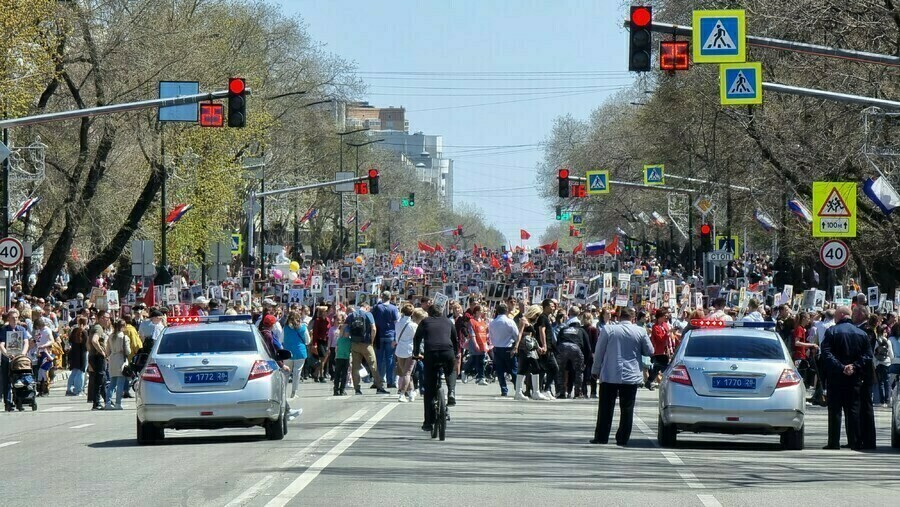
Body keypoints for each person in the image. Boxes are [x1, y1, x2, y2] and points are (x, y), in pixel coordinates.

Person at [590, 307, 653, 446]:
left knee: (606, 407)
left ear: (619, 317)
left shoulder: (608, 330)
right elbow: (649, 351)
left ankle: (601, 437)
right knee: (627, 408)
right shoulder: (640, 331)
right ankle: (623, 438)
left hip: (610, 373)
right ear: (633, 318)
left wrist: (595, 369)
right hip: (631, 375)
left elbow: (599, 351)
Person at [821, 306, 871, 450]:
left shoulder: (832, 331)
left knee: (835, 410)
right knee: (853, 409)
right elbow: (868, 356)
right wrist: (854, 366)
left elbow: (826, 353)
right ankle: (854, 441)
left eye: (836, 315)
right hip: (854, 377)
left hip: (836, 377)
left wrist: (841, 367)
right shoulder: (861, 333)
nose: (835, 318)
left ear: (842, 315)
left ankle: (834, 442)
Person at [413, 300, 459, 432]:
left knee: (429, 389)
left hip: (431, 353)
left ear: (429, 313)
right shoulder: (448, 322)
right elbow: (455, 340)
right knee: (451, 371)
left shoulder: (425, 322)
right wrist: (455, 354)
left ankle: (428, 422)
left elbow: (417, 338)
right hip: (447, 351)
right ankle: (451, 391)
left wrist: (416, 354)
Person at [346, 302, 389, 395]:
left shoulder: (351, 315)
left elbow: (345, 328)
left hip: (355, 343)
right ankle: (379, 387)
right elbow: (373, 328)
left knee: (355, 367)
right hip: (366, 343)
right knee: (373, 365)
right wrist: (372, 341)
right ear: (367, 307)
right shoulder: (368, 314)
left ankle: (357, 389)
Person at [555, 306, 591, 399]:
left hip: (562, 347)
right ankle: (578, 393)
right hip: (576, 348)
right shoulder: (581, 330)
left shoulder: (563, 329)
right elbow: (587, 347)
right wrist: (585, 362)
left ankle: (561, 392)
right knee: (579, 371)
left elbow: (558, 342)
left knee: (561, 371)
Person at [512, 305, 546, 401]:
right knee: (527, 368)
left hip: (530, 347)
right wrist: (516, 346)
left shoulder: (530, 322)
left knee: (532, 368)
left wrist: (538, 347)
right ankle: (524, 392)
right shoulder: (523, 320)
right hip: (525, 347)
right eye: (537, 314)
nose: (537, 317)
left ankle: (532, 392)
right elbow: (520, 333)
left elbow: (532, 338)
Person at [1, 310, 32, 411]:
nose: (15, 319)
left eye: (16, 317)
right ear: (8, 318)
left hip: (19, 359)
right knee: (6, 381)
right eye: (12, 318)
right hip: (7, 359)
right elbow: (2, 345)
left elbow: (26, 342)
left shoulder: (21, 329)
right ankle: (8, 403)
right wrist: (8, 354)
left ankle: (19, 401)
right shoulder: (4, 330)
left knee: (20, 380)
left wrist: (22, 354)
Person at [487, 303, 518, 397]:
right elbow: (516, 334)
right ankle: (517, 387)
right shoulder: (510, 322)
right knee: (513, 369)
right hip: (508, 347)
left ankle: (504, 389)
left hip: (497, 348)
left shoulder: (492, 322)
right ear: (506, 311)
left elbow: (491, 335)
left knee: (500, 370)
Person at [395, 306, 425, 402]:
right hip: (410, 350)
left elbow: (396, 336)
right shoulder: (413, 325)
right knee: (407, 373)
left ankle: (411, 391)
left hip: (399, 350)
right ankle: (402, 394)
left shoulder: (398, 323)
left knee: (405, 373)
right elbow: (417, 339)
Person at [371, 292, 400, 388]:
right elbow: (396, 322)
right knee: (390, 359)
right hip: (390, 335)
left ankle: (377, 381)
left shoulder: (377, 307)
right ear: (390, 297)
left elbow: (372, 320)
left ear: (382, 297)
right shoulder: (394, 308)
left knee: (378, 359)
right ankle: (390, 381)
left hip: (379, 335)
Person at [282, 310, 310, 399]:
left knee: (286, 373)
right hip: (300, 351)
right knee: (297, 372)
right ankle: (294, 392)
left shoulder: (285, 328)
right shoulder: (303, 327)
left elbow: (281, 339)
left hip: (287, 352)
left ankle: (283, 392)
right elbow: (308, 341)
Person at [105, 319, 131, 410]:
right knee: (120, 383)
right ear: (123, 327)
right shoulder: (124, 337)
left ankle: (108, 403)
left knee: (112, 383)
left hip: (112, 359)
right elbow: (128, 351)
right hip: (121, 360)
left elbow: (107, 350)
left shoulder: (110, 336)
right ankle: (118, 403)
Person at [88, 311, 111, 411]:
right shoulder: (98, 328)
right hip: (98, 357)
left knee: (103, 379)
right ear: (102, 318)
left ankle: (107, 400)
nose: (108, 320)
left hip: (94, 356)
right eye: (107, 318)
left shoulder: (96, 327)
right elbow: (94, 340)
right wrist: (102, 352)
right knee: (99, 380)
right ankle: (96, 403)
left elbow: (87, 343)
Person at [646, 308, 674, 391]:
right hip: (659, 351)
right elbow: (660, 339)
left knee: (657, 368)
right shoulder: (655, 327)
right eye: (664, 316)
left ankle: (649, 381)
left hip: (666, 350)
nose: (666, 317)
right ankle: (667, 384)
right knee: (665, 368)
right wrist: (668, 333)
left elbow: (669, 337)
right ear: (660, 317)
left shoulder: (665, 324)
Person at [462, 305, 489, 385]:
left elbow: (485, 332)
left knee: (481, 360)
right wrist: (475, 343)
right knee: (475, 359)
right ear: (477, 312)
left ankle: (480, 377)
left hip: (482, 342)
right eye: (481, 310)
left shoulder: (483, 321)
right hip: (475, 342)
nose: (483, 312)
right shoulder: (472, 321)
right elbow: (472, 334)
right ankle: (467, 372)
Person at [66, 316, 88, 396]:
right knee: (81, 372)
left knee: (74, 372)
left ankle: (69, 389)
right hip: (82, 353)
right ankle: (78, 390)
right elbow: (86, 345)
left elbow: (70, 341)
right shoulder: (85, 332)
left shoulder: (74, 331)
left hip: (74, 353)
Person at [873, 325, 893, 408]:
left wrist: (875, 363)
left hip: (879, 363)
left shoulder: (877, 341)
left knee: (880, 382)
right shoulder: (888, 341)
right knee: (887, 382)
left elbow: (874, 353)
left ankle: (882, 401)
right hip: (887, 363)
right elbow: (891, 353)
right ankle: (887, 400)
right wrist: (891, 361)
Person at [333, 322, 352, 396]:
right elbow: (350, 349)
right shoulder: (349, 340)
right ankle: (341, 390)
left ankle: (336, 389)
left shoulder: (339, 339)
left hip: (339, 358)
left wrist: (336, 355)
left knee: (338, 374)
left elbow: (336, 349)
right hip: (344, 358)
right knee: (343, 374)